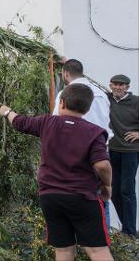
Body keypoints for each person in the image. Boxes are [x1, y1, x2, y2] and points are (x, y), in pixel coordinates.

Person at [0, 83, 113, 261]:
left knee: (63, 250)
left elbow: (20, 122)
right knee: (97, 251)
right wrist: (107, 185)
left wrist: (7, 112)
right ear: (87, 107)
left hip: (51, 197)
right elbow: (102, 165)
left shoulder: (46, 122)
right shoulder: (94, 132)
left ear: (61, 102)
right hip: (82, 197)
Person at [52, 58, 113, 229]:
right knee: (102, 200)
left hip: (76, 156)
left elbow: (57, 124)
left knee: (75, 200)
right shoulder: (101, 93)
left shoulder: (66, 94)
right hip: (102, 152)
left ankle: (80, 240)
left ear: (65, 73)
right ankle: (105, 240)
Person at [107, 74, 139, 236]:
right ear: (110, 85)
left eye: (122, 85)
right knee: (114, 190)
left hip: (131, 152)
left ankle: (130, 231)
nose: (118, 87)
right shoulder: (107, 99)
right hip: (112, 150)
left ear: (127, 87)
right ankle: (126, 227)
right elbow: (87, 82)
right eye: (115, 84)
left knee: (127, 190)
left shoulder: (136, 102)